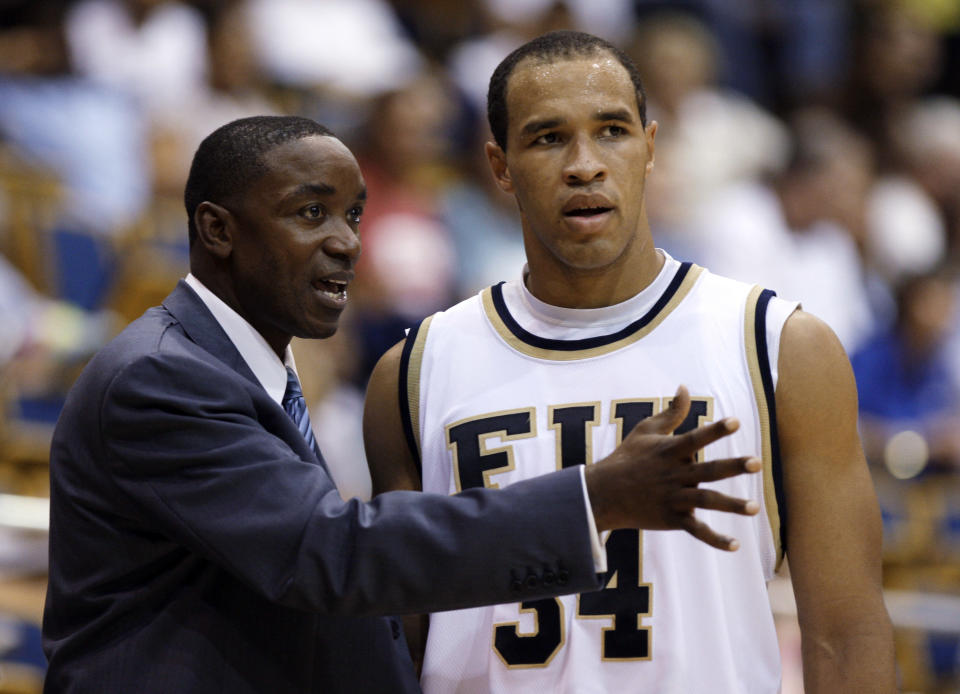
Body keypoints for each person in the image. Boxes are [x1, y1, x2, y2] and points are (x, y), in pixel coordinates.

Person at [42, 115, 762, 693]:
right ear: (218, 229)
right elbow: (329, 554)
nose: (346, 242)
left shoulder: (240, 367)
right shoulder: (163, 378)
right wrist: (592, 498)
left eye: (353, 214)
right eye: (310, 213)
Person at [364, 31, 896, 693]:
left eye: (611, 131)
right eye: (547, 138)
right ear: (499, 167)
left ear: (650, 147)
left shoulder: (779, 345)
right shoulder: (412, 372)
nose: (584, 164)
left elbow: (844, 630)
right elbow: (399, 644)